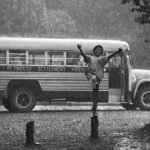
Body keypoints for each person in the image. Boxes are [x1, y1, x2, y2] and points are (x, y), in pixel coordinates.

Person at [77, 44, 122, 115]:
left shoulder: (102, 59)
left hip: (98, 77)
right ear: (94, 51)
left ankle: (94, 108)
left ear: (101, 53)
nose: (98, 51)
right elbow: (84, 55)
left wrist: (116, 52)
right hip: (91, 74)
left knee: (96, 94)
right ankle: (93, 82)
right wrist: (80, 49)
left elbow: (110, 56)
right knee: (93, 78)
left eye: (100, 50)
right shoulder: (90, 58)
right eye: (97, 50)